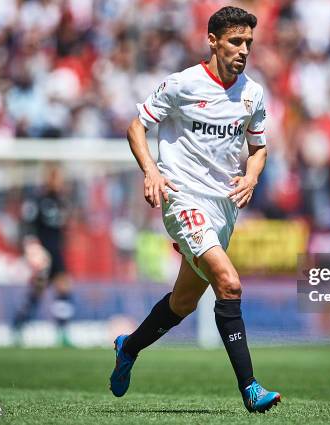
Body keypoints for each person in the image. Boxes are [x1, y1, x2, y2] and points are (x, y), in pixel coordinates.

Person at [109, 6, 280, 413]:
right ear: (213, 41)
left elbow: (259, 149)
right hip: (182, 198)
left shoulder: (252, 94)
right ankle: (251, 388)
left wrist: (252, 177)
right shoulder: (182, 84)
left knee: (182, 303)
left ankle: (128, 347)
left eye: (249, 44)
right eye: (236, 41)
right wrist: (151, 171)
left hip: (224, 208)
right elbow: (136, 127)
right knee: (230, 283)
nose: (243, 50)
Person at [13, 166, 74, 346]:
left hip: (57, 251)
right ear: (50, 180)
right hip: (43, 253)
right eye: (56, 179)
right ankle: (19, 325)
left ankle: (62, 333)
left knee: (64, 287)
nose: (59, 183)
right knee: (37, 291)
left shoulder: (62, 201)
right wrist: (31, 248)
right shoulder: (38, 201)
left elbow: (64, 227)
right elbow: (27, 225)